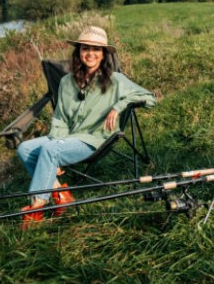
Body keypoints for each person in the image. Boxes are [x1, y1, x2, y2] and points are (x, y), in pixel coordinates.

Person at [16, 26, 156, 229]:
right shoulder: (65, 82)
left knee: (50, 150)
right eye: (85, 49)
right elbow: (60, 118)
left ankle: (36, 206)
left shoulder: (116, 81)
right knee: (24, 148)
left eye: (96, 49)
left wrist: (118, 106)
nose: (90, 54)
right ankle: (61, 195)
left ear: (103, 54)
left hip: (94, 140)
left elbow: (149, 97)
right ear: (79, 52)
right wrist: (57, 146)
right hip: (68, 137)